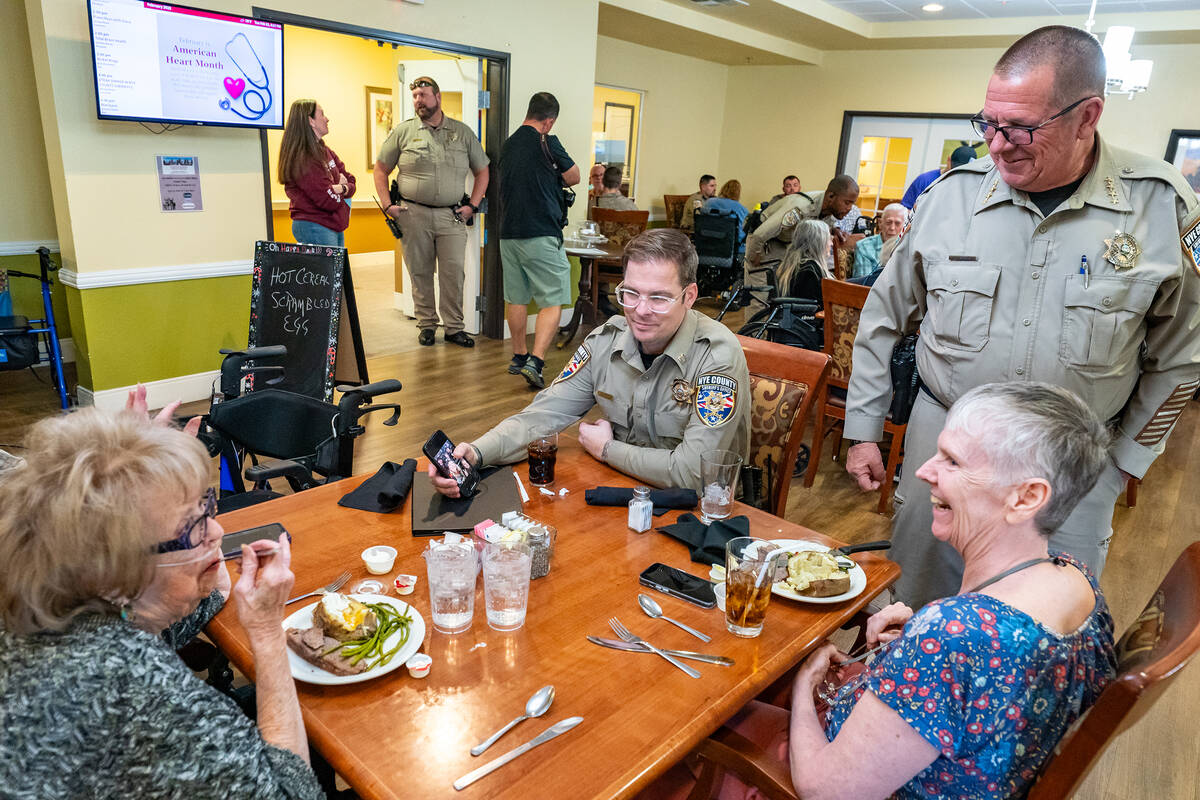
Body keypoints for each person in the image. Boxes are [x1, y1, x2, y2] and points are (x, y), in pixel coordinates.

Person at [844, 25, 1200, 610]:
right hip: (944, 448)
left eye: (1022, 128)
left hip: (1073, 464)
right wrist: (862, 427)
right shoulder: (948, 198)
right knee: (915, 608)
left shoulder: (1161, 207)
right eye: (988, 124)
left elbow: (1183, 357)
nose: (999, 144)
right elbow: (882, 316)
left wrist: (1124, 462)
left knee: (1042, 631)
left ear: (1089, 115)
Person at [648, 382, 1119, 800]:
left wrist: (808, 679)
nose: (923, 471)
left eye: (953, 462)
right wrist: (922, 637)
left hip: (838, 775)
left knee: (682, 723)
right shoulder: (1076, 581)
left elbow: (824, 790)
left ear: (1026, 498)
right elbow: (998, 685)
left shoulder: (955, 638)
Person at [0, 408, 322, 799]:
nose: (218, 530)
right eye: (193, 527)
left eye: (209, 507)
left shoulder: (48, 597)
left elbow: (169, 611)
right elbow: (296, 794)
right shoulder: (133, 684)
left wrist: (155, 490)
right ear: (118, 571)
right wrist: (268, 630)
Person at [428, 228, 750, 494]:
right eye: (631, 293)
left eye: (659, 297)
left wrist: (608, 450)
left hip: (699, 513)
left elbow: (693, 474)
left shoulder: (716, 355)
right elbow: (542, 415)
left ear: (689, 296)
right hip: (625, 491)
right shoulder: (605, 342)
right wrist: (477, 452)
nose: (640, 310)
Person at [374, 76, 489, 348]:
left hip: (452, 216)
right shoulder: (403, 132)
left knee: (453, 273)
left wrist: (472, 205)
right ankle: (427, 325)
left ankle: (453, 328)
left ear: (438, 97)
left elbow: (483, 171)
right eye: (415, 96)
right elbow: (381, 169)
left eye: (424, 95)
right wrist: (387, 205)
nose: (418, 101)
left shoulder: (462, 133)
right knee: (420, 272)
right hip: (413, 214)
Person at [498, 92, 582, 390]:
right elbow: (574, 176)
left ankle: (518, 355)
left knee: (516, 297)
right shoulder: (548, 141)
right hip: (542, 233)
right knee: (553, 299)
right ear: (548, 121)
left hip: (508, 234)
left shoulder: (507, 145)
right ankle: (536, 361)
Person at [744, 175, 859, 288]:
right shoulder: (801, 207)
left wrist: (832, 230)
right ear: (831, 196)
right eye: (847, 203)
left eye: (852, 203)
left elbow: (813, 225)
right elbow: (760, 234)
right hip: (763, 244)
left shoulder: (830, 209)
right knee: (760, 297)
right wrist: (755, 257)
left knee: (779, 295)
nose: (849, 208)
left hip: (785, 246)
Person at [279, 99, 355, 247]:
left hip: (333, 224)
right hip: (315, 226)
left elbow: (351, 180)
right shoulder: (304, 157)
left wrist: (341, 188)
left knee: (336, 270)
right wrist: (339, 187)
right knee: (327, 271)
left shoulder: (325, 151)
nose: (327, 119)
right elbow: (327, 200)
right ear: (311, 121)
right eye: (322, 114)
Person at [900, 144, 978, 210]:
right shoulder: (924, 180)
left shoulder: (969, 187)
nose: (958, 174)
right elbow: (905, 210)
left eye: (964, 171)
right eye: (956, 169)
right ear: (948, 160)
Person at [776, 219, 831, 306]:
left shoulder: (793, 263)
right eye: (828, 239)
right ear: (819, 242)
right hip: (812, 316)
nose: (831, 243)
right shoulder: (810, 270)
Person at [850, 202, 907, 279]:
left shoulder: (908, 247)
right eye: (888, 222)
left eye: (897, 223)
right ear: (880, 223)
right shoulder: (864, 246)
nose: (892, 228)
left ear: (905, 226)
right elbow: (863, 282)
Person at [699, 179, 749, 252]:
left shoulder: (709, 202)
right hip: (730, 249)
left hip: (707, 245)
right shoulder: (742, 209)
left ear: (723, 189)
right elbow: (740, 234)